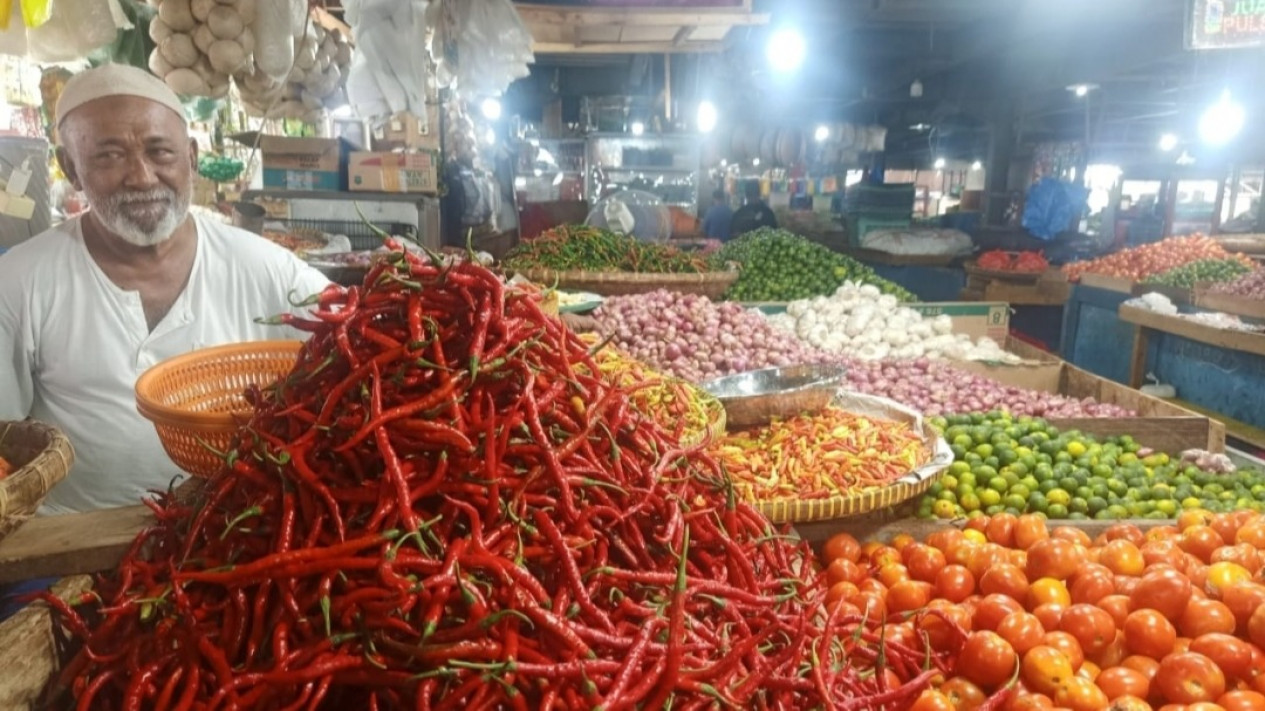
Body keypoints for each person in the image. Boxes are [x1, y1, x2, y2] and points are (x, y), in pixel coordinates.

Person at [0, 63, 331, 515]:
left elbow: (358, 342)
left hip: (235, 536)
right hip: (69, 549)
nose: (141, 177)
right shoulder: (19, 283)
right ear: (70, 170)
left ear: (191, 158)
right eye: (108, 156)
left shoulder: (266, 268)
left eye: (160, 152)